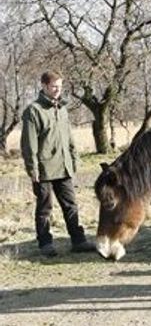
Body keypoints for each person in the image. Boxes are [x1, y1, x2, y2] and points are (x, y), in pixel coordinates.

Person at [21, 71, 97, 257]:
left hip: (64, 167)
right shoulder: (33, 110)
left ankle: (78, 241)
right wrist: (33, 168)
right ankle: (45, 244)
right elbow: (29, 143)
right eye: (54, 86)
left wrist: (74, 159)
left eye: (60, 86)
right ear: (44, 86)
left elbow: (68, 137)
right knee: (45, 208)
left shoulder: (62, 109)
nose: (58, 90)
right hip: (44, 169)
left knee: (71, 205)